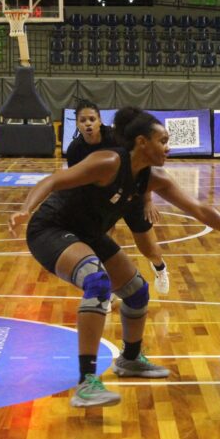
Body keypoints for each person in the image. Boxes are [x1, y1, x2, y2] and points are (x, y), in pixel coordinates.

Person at [8, 107, 220, 408]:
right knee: (97, 283)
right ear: (142, 142)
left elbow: (200, 210)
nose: (168, 147)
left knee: (136, 291)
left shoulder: (153, 179)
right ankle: (86, 382)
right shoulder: (109, 161)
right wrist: (25, 209)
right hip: (52, 229)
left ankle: (131, 359)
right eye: (162, 140)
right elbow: (55, 179)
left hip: (89, 233)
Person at [66, 100, 169, 295]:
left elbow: (142, 167)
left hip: (131, 196)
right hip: (103, 202)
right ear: (77, 124)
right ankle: (106, 292)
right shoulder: (75, 150)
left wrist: (147, 201)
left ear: (99, 121)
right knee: (101, 248)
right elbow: (76, 182)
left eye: (92, 119)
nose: (88, 124)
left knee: (149, 249)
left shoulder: (115, 139)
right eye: (83, 120)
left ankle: (160, 268)